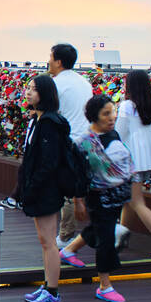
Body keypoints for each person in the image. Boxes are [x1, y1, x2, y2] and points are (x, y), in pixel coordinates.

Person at [60, 94, 134, 302]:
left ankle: (68, 250)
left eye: (113, 112)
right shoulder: (83, 142)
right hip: (97, 197)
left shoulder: (113, 134)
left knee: (101, 229)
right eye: (106, 114)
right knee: (106, 239)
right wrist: (78, 201)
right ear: (95, 116)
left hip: (117, 195)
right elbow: (78, 174)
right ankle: (105, 285)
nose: (112, 118)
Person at [16, 74, 69, 302]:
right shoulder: (38, 120)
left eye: (34, 89)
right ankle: (48, 285)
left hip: (47, 190)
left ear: (45, 94)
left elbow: (48, 163)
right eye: (28, 88)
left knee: (48, 241)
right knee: (45, 240)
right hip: (41, 188)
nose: (28, 92)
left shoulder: (48, 123)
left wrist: (32, 187)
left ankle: (53, 292)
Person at [116, 70, 151, 258]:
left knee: (137, 202)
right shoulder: (148, 106)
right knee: (130, 200)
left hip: (132, 160)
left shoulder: (127, 106)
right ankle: (120, 237)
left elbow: (120, 133)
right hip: (146, 160)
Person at [48, 43, 93, 247]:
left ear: (58, 61)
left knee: (67, 190)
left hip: (67, 141)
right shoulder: (84, 82)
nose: (48, 61)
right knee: (80, 187)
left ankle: (65, 236)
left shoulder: (55, 84)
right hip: (87, 140)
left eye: (50, 57)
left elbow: (50, 114)